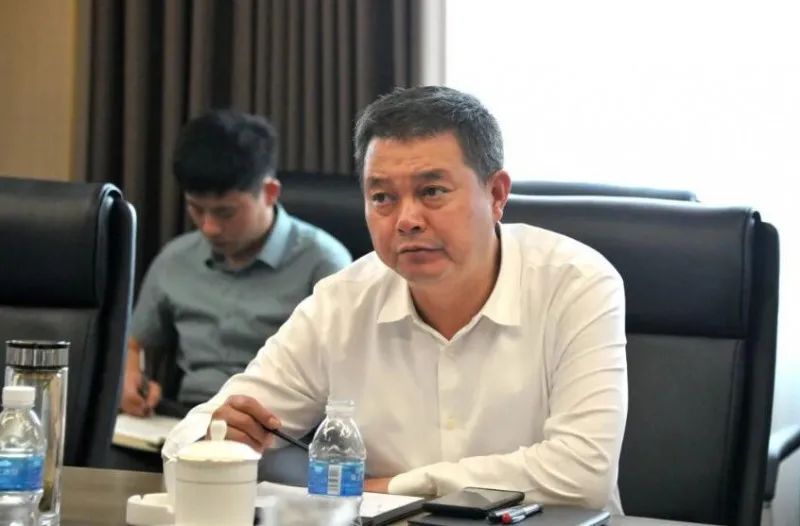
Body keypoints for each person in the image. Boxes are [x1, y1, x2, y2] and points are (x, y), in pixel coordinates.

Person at [164, 87, 627, 513]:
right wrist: (219, 438)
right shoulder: (342, 303)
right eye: (382, 197)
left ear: (496, 194)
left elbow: (582, 475)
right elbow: (192, 435)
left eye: (432, 191)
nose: (406, 220)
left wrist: (398, 487)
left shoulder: (575, 284)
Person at [120, 110, 352, 416]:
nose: (209, 228)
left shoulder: (323, 263)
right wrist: (129, 376)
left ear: (269, 193)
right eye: (196, 209)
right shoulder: (175, 259)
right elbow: (134, 343)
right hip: (184, 418)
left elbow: (348, 370)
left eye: (225, 212)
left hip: (277, 425)